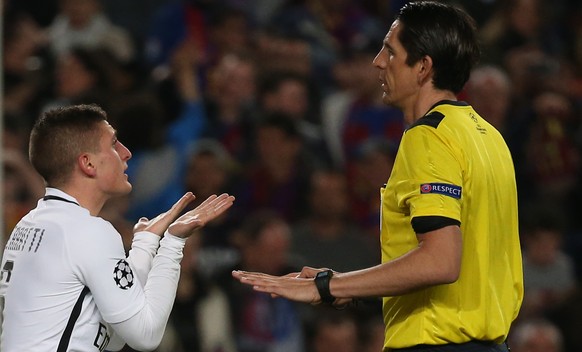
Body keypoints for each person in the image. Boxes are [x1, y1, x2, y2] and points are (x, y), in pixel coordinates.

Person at [233, 2, 524, 351]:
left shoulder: (429, 137)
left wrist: (327, 286)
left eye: (390, 50)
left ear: (423, 67)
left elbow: (441, 261)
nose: (378, 61)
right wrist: (346, 286)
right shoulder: (490, 136)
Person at [0, 104, 235, 351]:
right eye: (113, 144)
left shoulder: (29, 225)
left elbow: (112, 337)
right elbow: (146, 336)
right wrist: (172, 243)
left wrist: (145, 243)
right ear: (88, 163)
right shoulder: (88, 232)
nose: (126, 153)